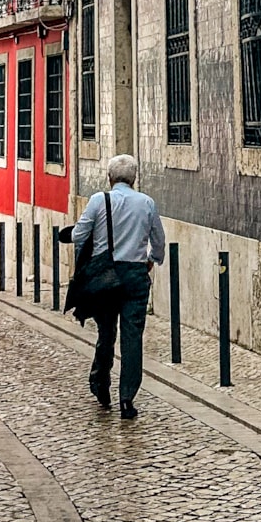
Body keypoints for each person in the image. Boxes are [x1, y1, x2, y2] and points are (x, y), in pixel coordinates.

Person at [70, 154, 165, 420]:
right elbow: (159, 241)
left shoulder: (99, 200)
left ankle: (100, 383)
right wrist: (151, 260)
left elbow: (78, 235)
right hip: (135, 275)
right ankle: (127, 398)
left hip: (106, 276)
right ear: (134, 179)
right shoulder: (147, 203)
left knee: (107, 332)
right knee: (132, 337)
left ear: (109, 178)